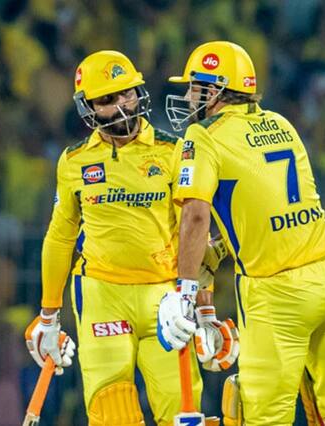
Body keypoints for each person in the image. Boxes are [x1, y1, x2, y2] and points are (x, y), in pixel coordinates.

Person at [157, 41, 325, 426]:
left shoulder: (203, 136)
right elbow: (274, 213)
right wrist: (218, 250)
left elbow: (195, 216)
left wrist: (185, 291)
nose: (188, 96)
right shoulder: (280, 123)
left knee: (261, 417)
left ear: (214, 90)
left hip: (278, 293)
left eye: (194, 87)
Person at [24, 50, 227, 425]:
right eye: (107, 99)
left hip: (166, 298)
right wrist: (48, 317)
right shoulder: (74, 161)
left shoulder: (174, 151)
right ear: (89, 108)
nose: (121, 106)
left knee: (181, 411)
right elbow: (60, 237)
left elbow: (195, 232)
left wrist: (205, 309)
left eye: (127, 93)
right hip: (103, 296)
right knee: (111, 411)